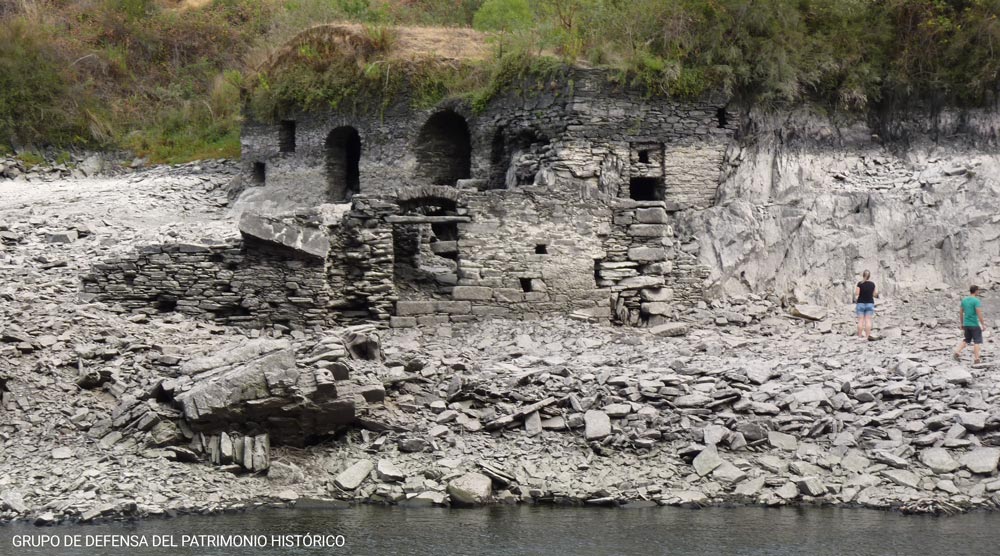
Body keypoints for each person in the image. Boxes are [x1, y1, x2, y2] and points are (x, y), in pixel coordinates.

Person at [955, 285, 987, 364]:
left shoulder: (964, 300)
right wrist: (983, 324)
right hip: (974, 324)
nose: (978, 292)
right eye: (978, 290)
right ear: (976, 291)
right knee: (977, 341)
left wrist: (962, 323)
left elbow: (961, 313)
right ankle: (976, 358)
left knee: (967, 339)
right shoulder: (976, 301)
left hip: (966, 324)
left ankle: (957, 351)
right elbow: (979, 313)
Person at [853, 270, 877, 339]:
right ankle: (867, 336)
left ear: (863, 275)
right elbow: (874, 294)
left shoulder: (859, 284)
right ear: (869, 276)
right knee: (868, 320)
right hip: (870, 303)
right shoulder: (872, 284)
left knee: (860, 320)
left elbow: (857, 294)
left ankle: (860, 336)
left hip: (860, 303)